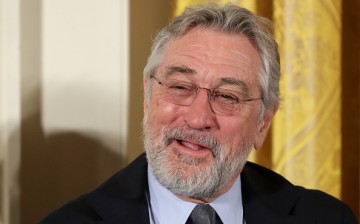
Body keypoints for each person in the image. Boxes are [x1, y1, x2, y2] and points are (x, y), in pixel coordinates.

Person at [40, 3, 357, 224]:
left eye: (227, 96)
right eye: (180, 87)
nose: (197, 118)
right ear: (148, 97)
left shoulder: (325, 218)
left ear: (264, 122)